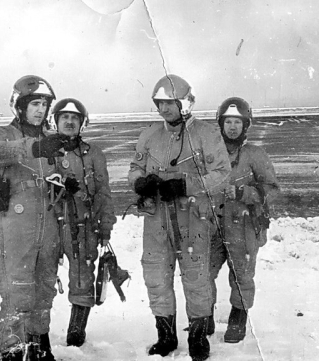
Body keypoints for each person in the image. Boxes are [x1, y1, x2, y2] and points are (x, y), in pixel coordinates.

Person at [128, 74, 231, 361]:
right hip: (157, 219)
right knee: (156, 277)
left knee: (196, 279)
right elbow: (134, 168)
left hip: (192, 220)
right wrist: (139, 182)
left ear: (184, 103)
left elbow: (222, 175)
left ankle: (198, 337)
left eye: (170, 103)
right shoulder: (149, 135)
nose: (165, 109)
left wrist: (187, 185)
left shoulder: (207, 135)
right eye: (160, 103)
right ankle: (166, 336)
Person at [0, 75, 68, 361]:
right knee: (18, 290)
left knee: (44, 288)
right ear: (20, 106)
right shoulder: (4, 135)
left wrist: (66, 185)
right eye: (34, 103)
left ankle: (39, 345)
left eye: (44, 104)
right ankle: (12, 350)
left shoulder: (50, 140)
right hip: (13, 225)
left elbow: (58, 171)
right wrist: (31, 148)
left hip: (46, 223)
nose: (40, 109)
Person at [210, 97, 280, 343]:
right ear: (220, 124)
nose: (232, 127)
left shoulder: (255, 154)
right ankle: (204, 317)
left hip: (244, 227)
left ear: (245, 125)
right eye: (227, 121)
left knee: (241, 275)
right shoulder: (210, 154)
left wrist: (244, 193)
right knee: (202, 272)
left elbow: (271, 188)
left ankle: (238, 319)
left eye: (237, 122)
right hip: (213, 224)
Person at [49, 98, 116, 348]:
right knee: (44, 278)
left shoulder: (94, 154)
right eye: (63, 117)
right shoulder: (42, 152)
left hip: (82, 226)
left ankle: (76, 332)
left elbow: (103, 192)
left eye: (74, 118)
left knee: (82, 278)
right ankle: (37, 334)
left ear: (81, 123)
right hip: (50, 225)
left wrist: (106, 225)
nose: (69, 122)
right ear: (55, 122)